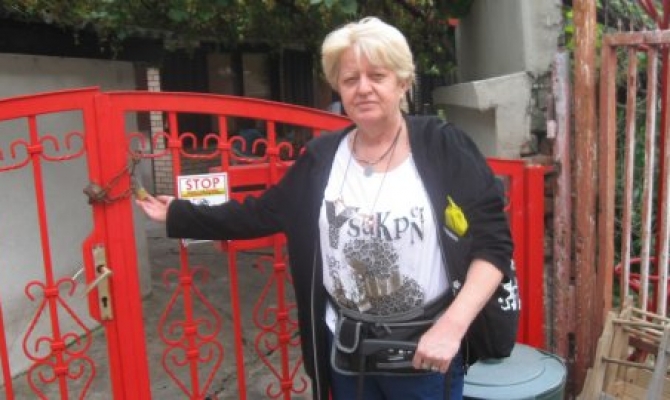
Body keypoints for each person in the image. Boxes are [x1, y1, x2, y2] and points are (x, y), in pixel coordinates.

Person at [136, 17, 514, 400]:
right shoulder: (322, 158)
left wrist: (452, 326)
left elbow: (493, 244)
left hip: (424, 353)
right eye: (350, 79)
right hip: (346, 351)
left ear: (402, 82)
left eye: (377, 76)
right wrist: (179, 214)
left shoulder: (442, 146)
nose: (363, 88)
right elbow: (260, 213)